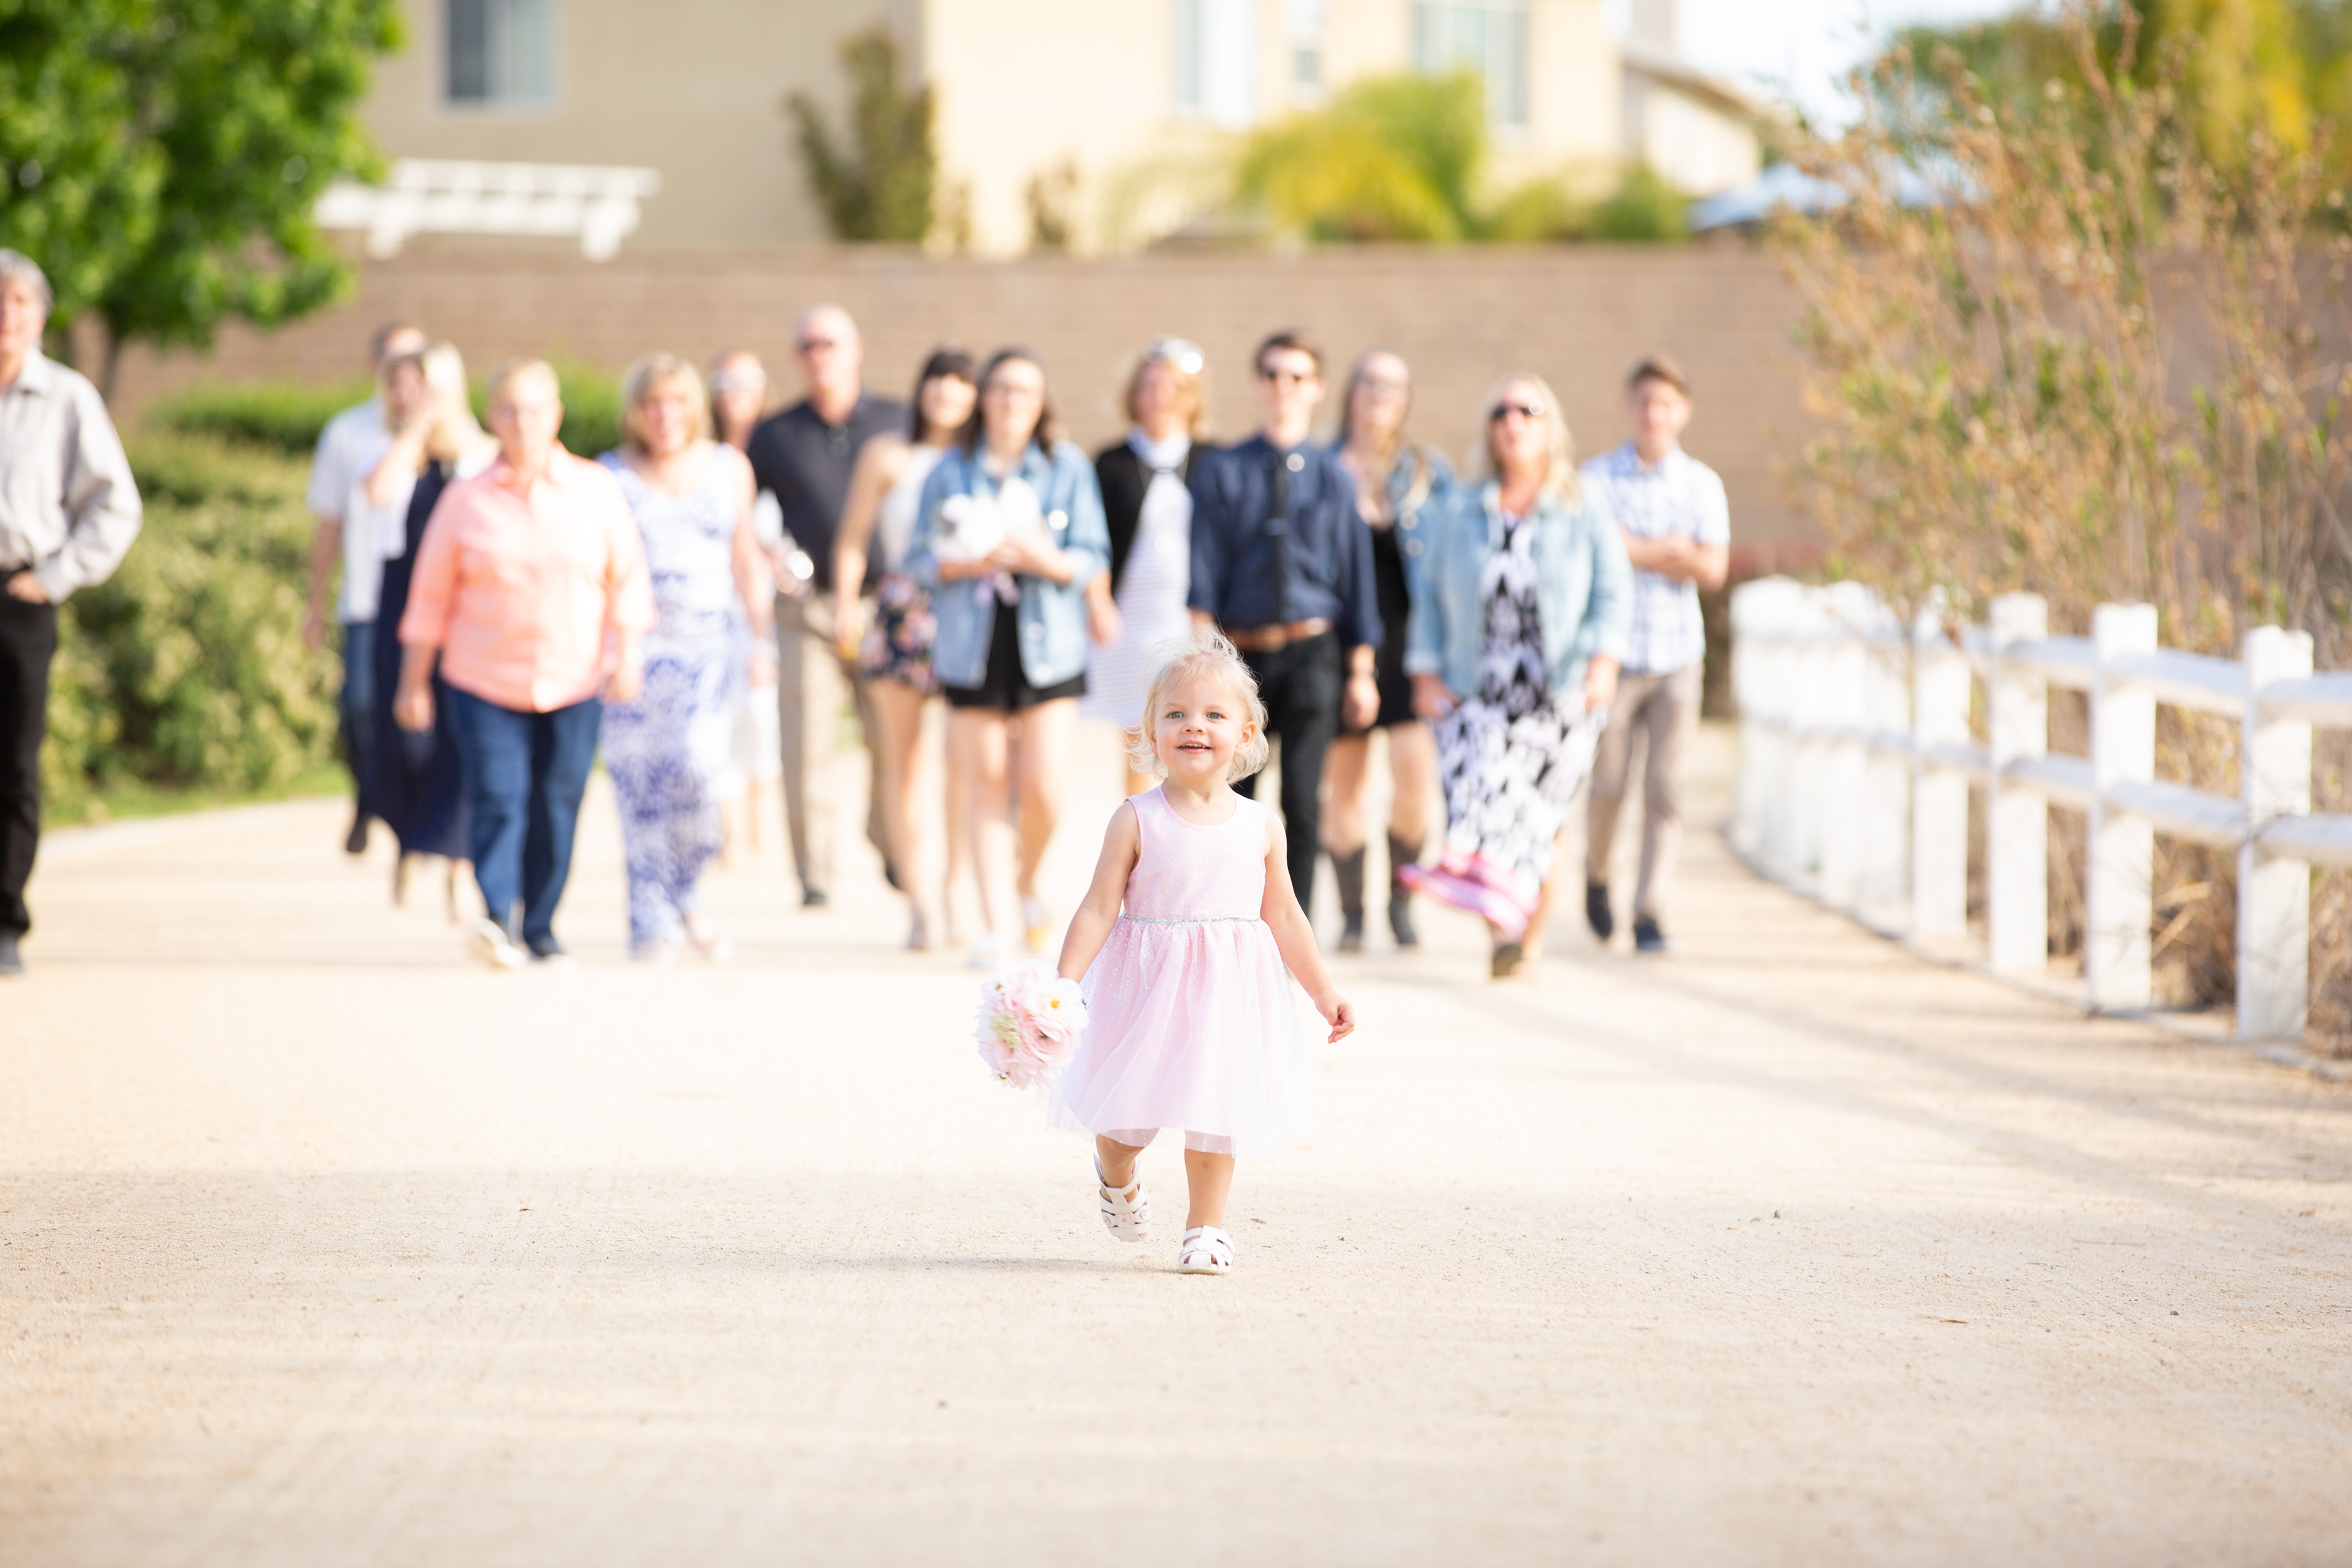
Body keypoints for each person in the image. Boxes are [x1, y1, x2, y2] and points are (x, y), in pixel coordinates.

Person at [1048, 634, 1355, 1276]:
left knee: (1218, 1110)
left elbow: (1284, 915)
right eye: (1177, 714)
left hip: (1228, 991)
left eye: (1214, 715)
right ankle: (1116, 1173)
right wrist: (1062, 985)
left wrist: (1323, 992)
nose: (1195, 726)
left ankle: (1206, 1229)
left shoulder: (1260, 824)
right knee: (1126, 1122)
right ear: (1151, 732)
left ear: (1245, 735)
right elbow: (1099, 907)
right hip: (1147, 989)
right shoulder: (1136, 818)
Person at [395, 358, 654, 970]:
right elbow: (430, 598)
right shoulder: (465, 499)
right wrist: (413, 683)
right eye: (509, 409)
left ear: (556, 415)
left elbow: (628, 579)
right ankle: (499, 920)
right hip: (483, 678)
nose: (523, 422)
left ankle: (541, 924)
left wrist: (629, 656)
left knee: (558, 801)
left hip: (574, 677)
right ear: (492, 418)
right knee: (498, 797)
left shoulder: (595, 488)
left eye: (535, 409)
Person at [1399, 374, 1630, 979]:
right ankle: (1502, 931)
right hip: (1477, 691)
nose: (1513, 422)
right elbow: (1428, 597)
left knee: (1540, 819)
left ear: (1550, 425)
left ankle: (1524, 940)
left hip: (1558, 694)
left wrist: (1604, 662)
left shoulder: (1583, 505)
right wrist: (1424, 670)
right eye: (1501, 412)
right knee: (1481, 812)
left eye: (1529, 410)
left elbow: (1613, 592)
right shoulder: (1459, 510)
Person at [905, 347, 1112, 967]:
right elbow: (917, 559)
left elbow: (1094, 557)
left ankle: (1026, 884)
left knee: (1045, 784)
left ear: (1041, 402)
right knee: (986, 780)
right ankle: (998, 925)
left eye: (1025, 392)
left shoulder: (1067, 467)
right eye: (1000, 389)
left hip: (1050, 643)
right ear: (983, 399)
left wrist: (1046, 560)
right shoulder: (949, 471)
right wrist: (963, 562)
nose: (1011, 402)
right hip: (972, 644)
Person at [1186, 330, 1381, 911]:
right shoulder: (1223, 469)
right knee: (1231, 796)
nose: (1283, 387)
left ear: (1317, 387)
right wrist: (1204, 667)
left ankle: (1294, 933)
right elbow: (1202, 574)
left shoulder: (1334, 477)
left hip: (1312, 652)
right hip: (1238, 659)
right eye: (1272, 374)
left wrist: (1362, 671)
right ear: (1256, 382)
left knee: (1301, 798)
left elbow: (1356, 579)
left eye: (1297, 377)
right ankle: (1231, 920)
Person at [600, 354, 772, 965]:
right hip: (635, 649)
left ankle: (688, 890)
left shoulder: (729, 467)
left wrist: (761, 641)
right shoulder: (611, 474)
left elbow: (746, 556)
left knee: (698, 772)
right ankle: (650, 914)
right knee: (639, 786)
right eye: (652, 404)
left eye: (677, 402)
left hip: (708, 649)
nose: (665, 415)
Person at [0, 251, 141, 978]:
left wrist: (56, 577)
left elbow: (115, 504)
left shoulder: (66, 397)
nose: (5, 313)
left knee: (13, 764)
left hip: (19, 597)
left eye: (18, 301)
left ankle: (5, 920)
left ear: (40, 317)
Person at [744, 305, 905, 907]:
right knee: (807, 740)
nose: (820, 355)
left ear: (855, 348)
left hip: (886, 606)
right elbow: (743, 514)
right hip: (809, 610)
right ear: (796, 357)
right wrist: (768, 557)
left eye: (830, 343)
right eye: (808, 345)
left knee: (894, 740)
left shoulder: (896, 421)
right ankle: (816, 873)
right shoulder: (774, 434)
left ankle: (895, 843)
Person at [1580, 355, 1730, 956]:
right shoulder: (1595, 479)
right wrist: (1669, 549)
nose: (1654, 414)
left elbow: (1713, 567)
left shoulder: (1702, 483)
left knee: (1666, 787)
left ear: (1683, 411)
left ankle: (1650, 909)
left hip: (1677, 656)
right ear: (1629, 406)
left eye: (1665, 404)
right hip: (1614, 656)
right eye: (1645, 402)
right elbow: (1595, 554)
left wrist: (1631, 549)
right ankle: (1597, 875)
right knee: (1608, 785)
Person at [831, 347, 979, 951]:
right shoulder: (887, 454)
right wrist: (846, 603)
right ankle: (918, 901)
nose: (947, 392)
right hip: (902, 611)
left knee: (965, 763)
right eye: (938, 379)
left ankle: (958, 891)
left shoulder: (981, 458)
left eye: (961, 383)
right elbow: (853, 537)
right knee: (905, 762)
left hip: (968, 611)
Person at [360, 341, 500, 913]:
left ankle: (460, 863)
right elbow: (377, 493)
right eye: (400, 385)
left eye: (421, 385)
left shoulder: (483, 456)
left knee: (463, 737)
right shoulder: (390, 451)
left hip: (467, 613)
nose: (409, 396)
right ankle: (411, 843)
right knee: (405, 738)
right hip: (401, 610)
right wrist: (414, 434)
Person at [1323, 348, 1449, 954]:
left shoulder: (1427, 472)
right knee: (1344, 785)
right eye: (1370, 381)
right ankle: (1352, 913)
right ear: (1351, 390)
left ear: (1406, 400)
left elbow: (1452, 565)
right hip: (1340, 645)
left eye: (1393, 385)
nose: (1379, 393)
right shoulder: (1321, 468)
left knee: (1413, 780)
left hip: (1410, 645)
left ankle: (1401, 899)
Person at [304, 320, 428, 855]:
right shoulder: (348, 433)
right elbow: (329, 521)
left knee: (415, 717)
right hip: (365, 600)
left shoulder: (449, 436)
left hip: (426, 606)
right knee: (358, 709)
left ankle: (411, 821)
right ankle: (367, 796)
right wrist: (314, 602)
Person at [1082, 337, 1208, 799]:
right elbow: (1092, 539)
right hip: (1129, 619)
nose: (1160, 396)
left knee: (1185, 727)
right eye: (1150, 386)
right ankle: (1140, 827)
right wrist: (1097, 600)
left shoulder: (1212, 461)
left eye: (1173, 387)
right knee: (1139, 735)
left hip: (1188, 617)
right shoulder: (1111, 463)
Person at [709, 350, 782, 865]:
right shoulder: (705, 456)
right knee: (720, 717)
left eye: (747, 381)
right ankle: (729, 832)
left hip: (769, 605)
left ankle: (763, 830)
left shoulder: (779, 449)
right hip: (718, 605)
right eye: (727, 380)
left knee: (762, 715)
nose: (737, 391)